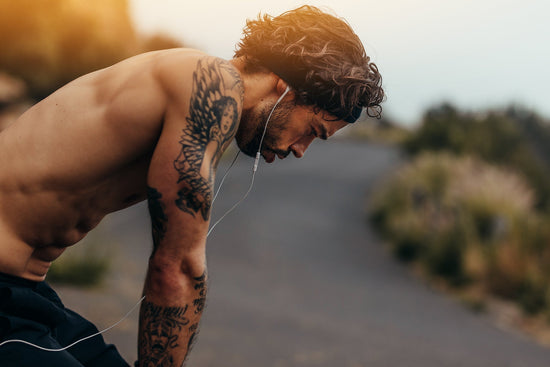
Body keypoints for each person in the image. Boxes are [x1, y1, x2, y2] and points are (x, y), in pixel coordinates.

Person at [0, 5, 384, 367]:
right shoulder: (213, 86)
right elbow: (178, 267)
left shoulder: (198, 84)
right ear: (284, 87)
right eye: (311, 131)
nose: (301, 150)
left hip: (23, 294)